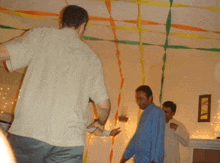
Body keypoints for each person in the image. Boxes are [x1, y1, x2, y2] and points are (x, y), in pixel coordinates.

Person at [0, 5, 111, 163]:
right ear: (83, 25)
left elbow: (3, 52)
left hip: (29, 134)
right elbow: (104, 105)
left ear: (62, 21)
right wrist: (101, 122)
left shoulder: (40, 36)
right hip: (69, 144)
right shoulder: (91, 59)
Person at [120, 85, 166, 163]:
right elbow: (136, 138)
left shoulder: (157, 112)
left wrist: (155, 161)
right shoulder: (144, 114)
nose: (138, 102)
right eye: (137, 99)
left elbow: (159, 140)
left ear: (150, 98)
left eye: (141, 99)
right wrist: (124, 157)